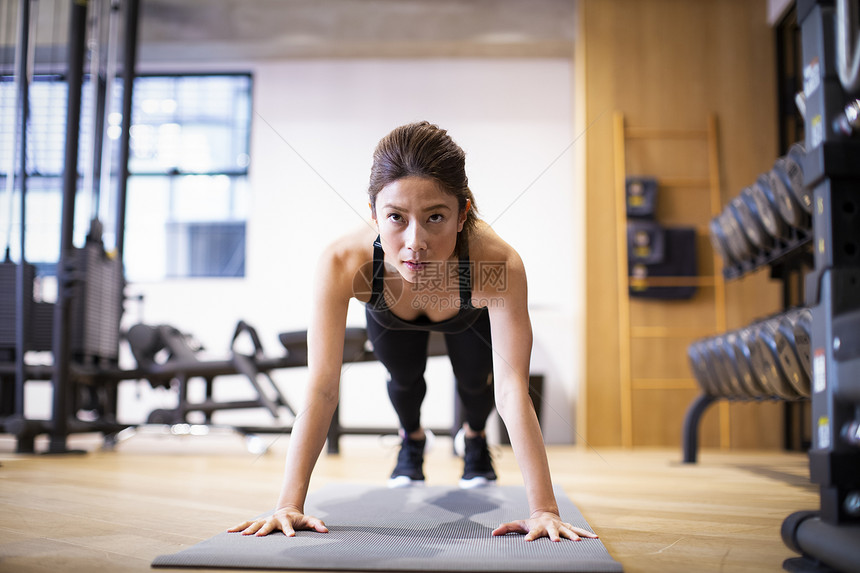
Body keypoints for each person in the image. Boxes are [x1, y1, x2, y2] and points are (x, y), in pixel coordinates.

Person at [229, 121, 597, 542]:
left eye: (435, 217)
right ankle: (412, 440)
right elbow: (322, 388)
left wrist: (543, 510)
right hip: (391, 313)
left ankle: (474, 439)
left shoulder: (496, 265)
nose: (415, 241)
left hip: (465, 313)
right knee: (404, 382)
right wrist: (288, 505)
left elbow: (513, 389)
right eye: (396, 218)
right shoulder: (342, 263)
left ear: (463, 215)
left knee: (477, 386)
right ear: (373, 215)